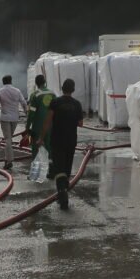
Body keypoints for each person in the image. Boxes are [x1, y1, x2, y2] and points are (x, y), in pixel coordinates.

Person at [47, 78, 85, 209]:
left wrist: (41, 137)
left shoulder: (55, 102)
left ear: (62, 88)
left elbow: (48, 120)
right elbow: (80, 123)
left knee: (59, 167)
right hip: (71, 140)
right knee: (67, 165)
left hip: (57, 139)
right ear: (73, 90)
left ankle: (62, 192)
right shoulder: (77, 104)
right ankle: (65, 187)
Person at [0, 74, 27, 170]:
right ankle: (7, 159)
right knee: (9, 139)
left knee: (7, 139)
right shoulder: (17, 91)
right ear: (11, 81)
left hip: (5, 118)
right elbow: (24, 103)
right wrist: (27, 114)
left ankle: (9, 160)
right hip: (15, 118)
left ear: (3, 82)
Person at [24, 74, 56, 167]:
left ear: (36, 83)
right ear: (45, 82)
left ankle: (36, 172)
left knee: (36, 148)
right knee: (50, 147)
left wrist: (27, 127)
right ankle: (51, 170)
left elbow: (31, 113)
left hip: (38, 126)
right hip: (50, 125)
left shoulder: (35, 95)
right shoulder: (52, 93)